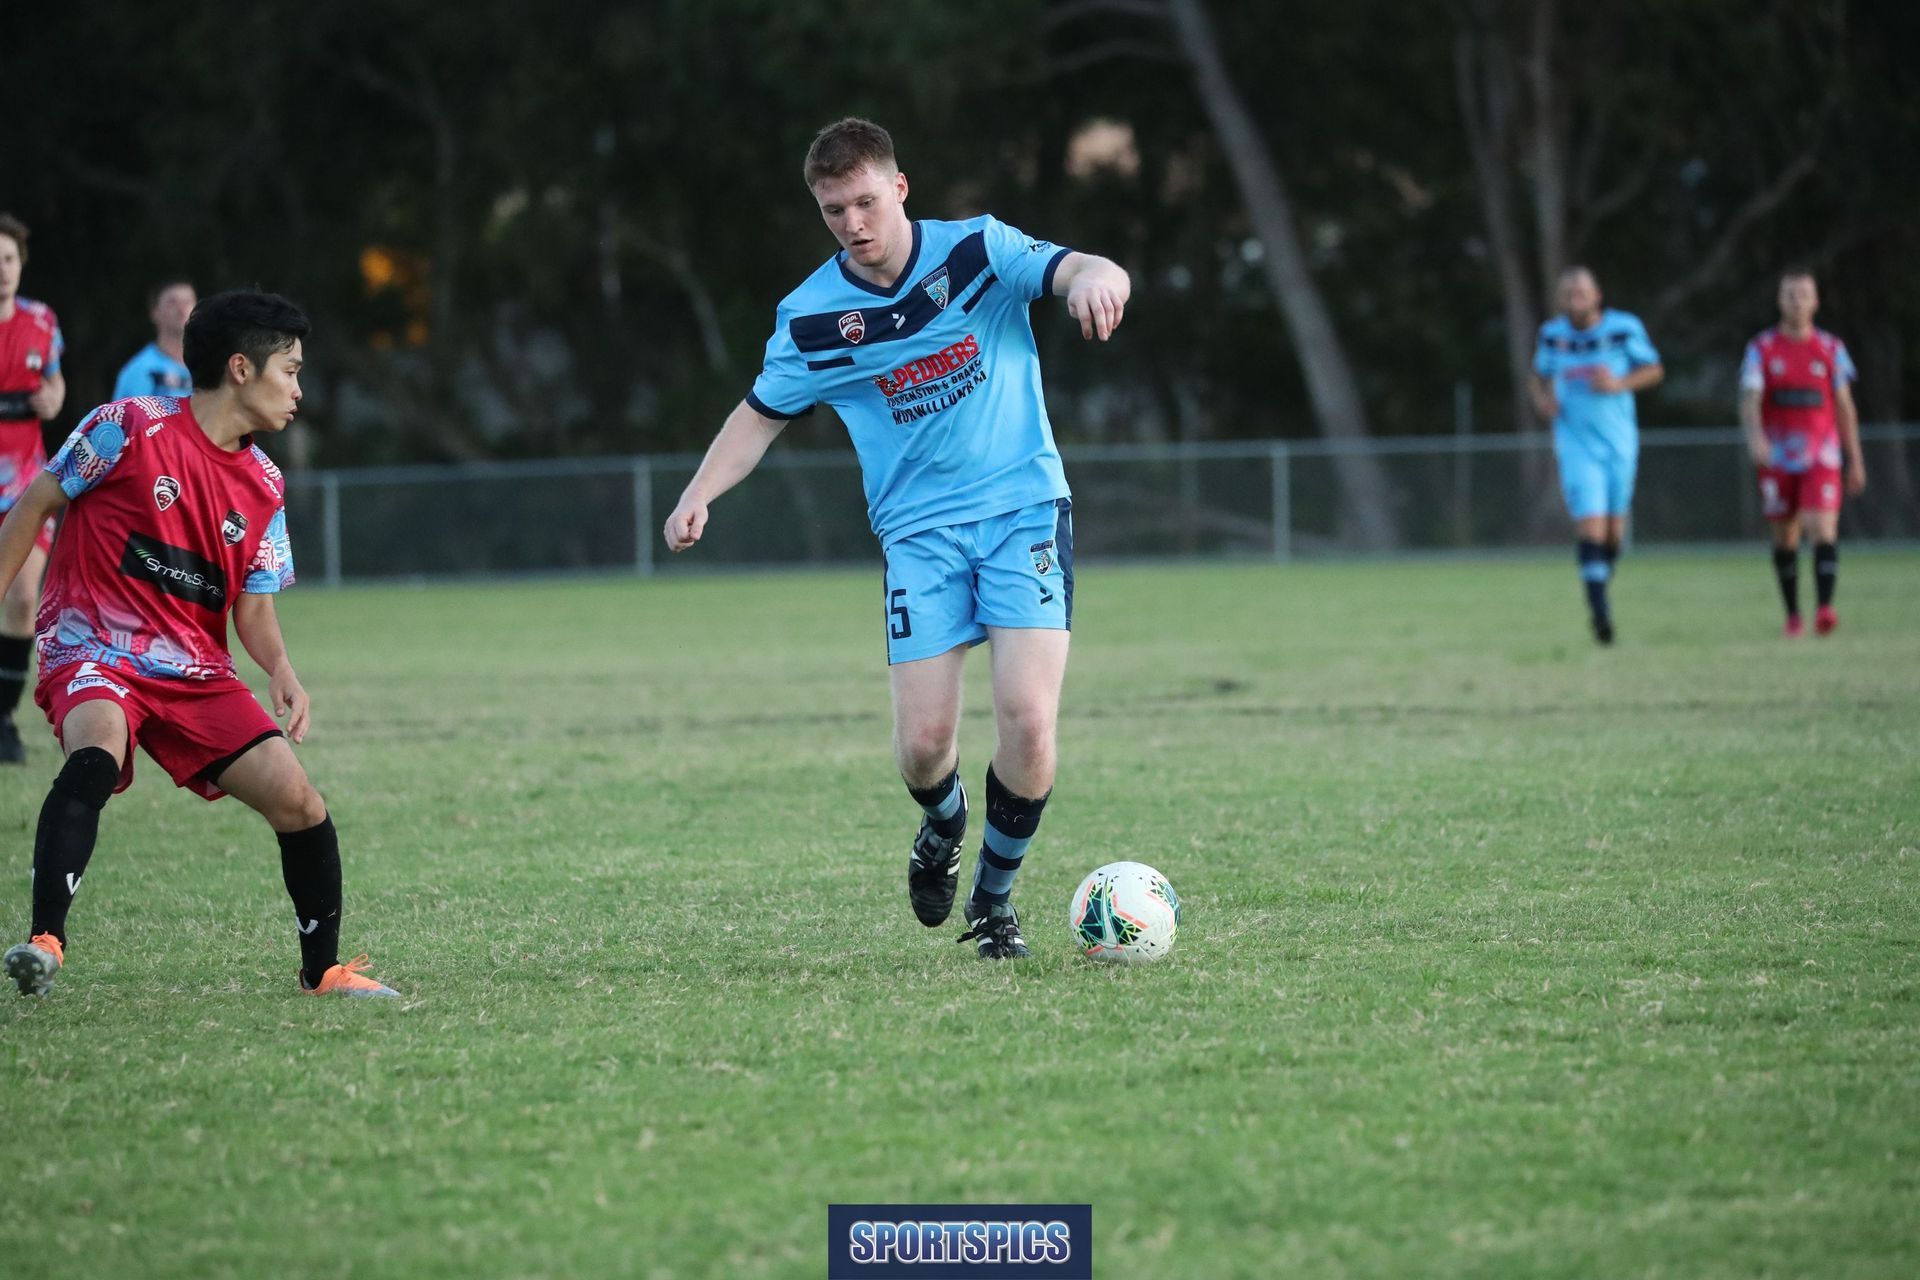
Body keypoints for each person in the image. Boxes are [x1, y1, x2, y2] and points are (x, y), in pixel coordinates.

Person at [663, 118, 1130, 959]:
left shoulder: (976, 252)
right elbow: (758, 416)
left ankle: (993, 905)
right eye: (833, 209)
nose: (852, 222)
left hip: (1023, 507)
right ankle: (942, 828)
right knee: (924, 747)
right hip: (918, 537)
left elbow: (1071, 266)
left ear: (900, 187)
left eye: (865, 201)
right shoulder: (811, 319)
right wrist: (700, 491)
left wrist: (1101, 278)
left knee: (1026, 718)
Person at [0, 289, 397, 999]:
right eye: (292, 371)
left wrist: (280, 669)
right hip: (91, 646)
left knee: (300, 803)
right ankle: (44, 943)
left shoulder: (266, 486)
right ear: (241, 369)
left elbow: (253, 607)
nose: (300, 390)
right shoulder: (126, 427)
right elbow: (35, 503)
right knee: (97, 751)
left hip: (192, 669)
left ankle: (324, 973)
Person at [1530, 266, 1665, 644]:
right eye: (1568, 294)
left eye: (1581, 292)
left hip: (1619, 443)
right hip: (1575, 444)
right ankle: (1601, 614)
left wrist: (1620, 383)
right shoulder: (1552, 336)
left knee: (1613, 536)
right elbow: (1536, 375)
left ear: (1597, 295)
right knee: (1590, 526)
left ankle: (1599, 585)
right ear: (1561, 301)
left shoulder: (1624, 329)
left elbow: (1654, 369)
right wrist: (1544, 400)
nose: (1575, 299)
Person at [1739, 269, 1865, 637]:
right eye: (1790, 294)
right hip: (1777, 457)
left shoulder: (1831, 349)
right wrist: (1755, 437)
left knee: (1821, 527)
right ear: (1780, 301)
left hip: (1822, 456)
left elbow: (1845, 406)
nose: (1796, 301)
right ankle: (1793, 614)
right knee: (1786, 536)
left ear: (1815, 301)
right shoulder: (1761, 348)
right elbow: (1750, 400)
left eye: (1803, 294)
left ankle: (1825, 609)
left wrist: (1854, 458)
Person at [0, 212, 66, 763]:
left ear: (21, 266)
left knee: (23, 599)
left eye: (8, 259)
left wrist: (54, 396)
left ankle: (2, 720)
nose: (1, 270)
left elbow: (55, 379)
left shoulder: (42, 320)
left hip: (24, 485)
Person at [113, 279, 198, 401]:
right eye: (172, 303)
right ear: (154, 312)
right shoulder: (140, 370)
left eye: (187, 302)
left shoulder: (211, 364)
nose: (181, 310)